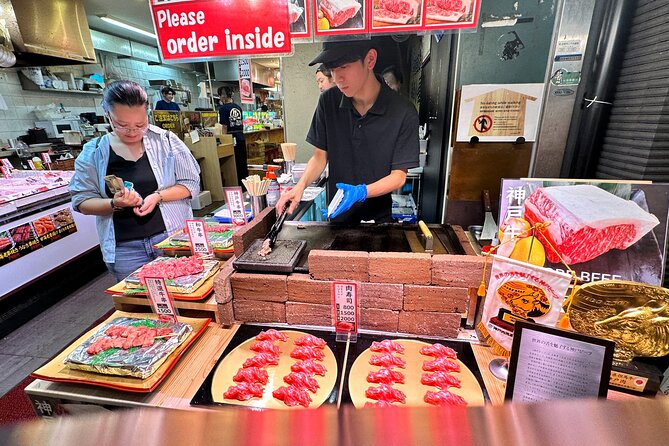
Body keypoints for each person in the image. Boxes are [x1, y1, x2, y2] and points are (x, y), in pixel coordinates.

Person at [69, 80, 200, 281]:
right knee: (139, 307)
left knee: (184, 298)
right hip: (124, 251)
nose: (132, 132)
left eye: (140, 125)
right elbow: (81, 201)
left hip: (171, 238)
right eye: (122, 125)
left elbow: (191, 184)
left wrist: (158, 196)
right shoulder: (93, 152)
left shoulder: (166, 140)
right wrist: (114, 203)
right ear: (108, 116)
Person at [276, 40, 419, 223]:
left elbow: (398, 176)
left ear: (370, 60)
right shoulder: (328, 102)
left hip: (378, 220)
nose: (337, 78)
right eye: (333, 69)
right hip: (337, 217)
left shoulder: (403, 111)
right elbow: (320, 156)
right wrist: (300, 186)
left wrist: (362, 192)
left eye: (344, 67)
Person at [218, 88, 248, 183]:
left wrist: (222, 139)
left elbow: (224, 127)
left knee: (234, 163)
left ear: (223, 96)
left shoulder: (223, 109)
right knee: (242, 162)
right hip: (241, 137)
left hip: (231, 138)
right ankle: (245, 184)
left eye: (219, 96)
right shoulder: (238, 107)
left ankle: (237, 184)